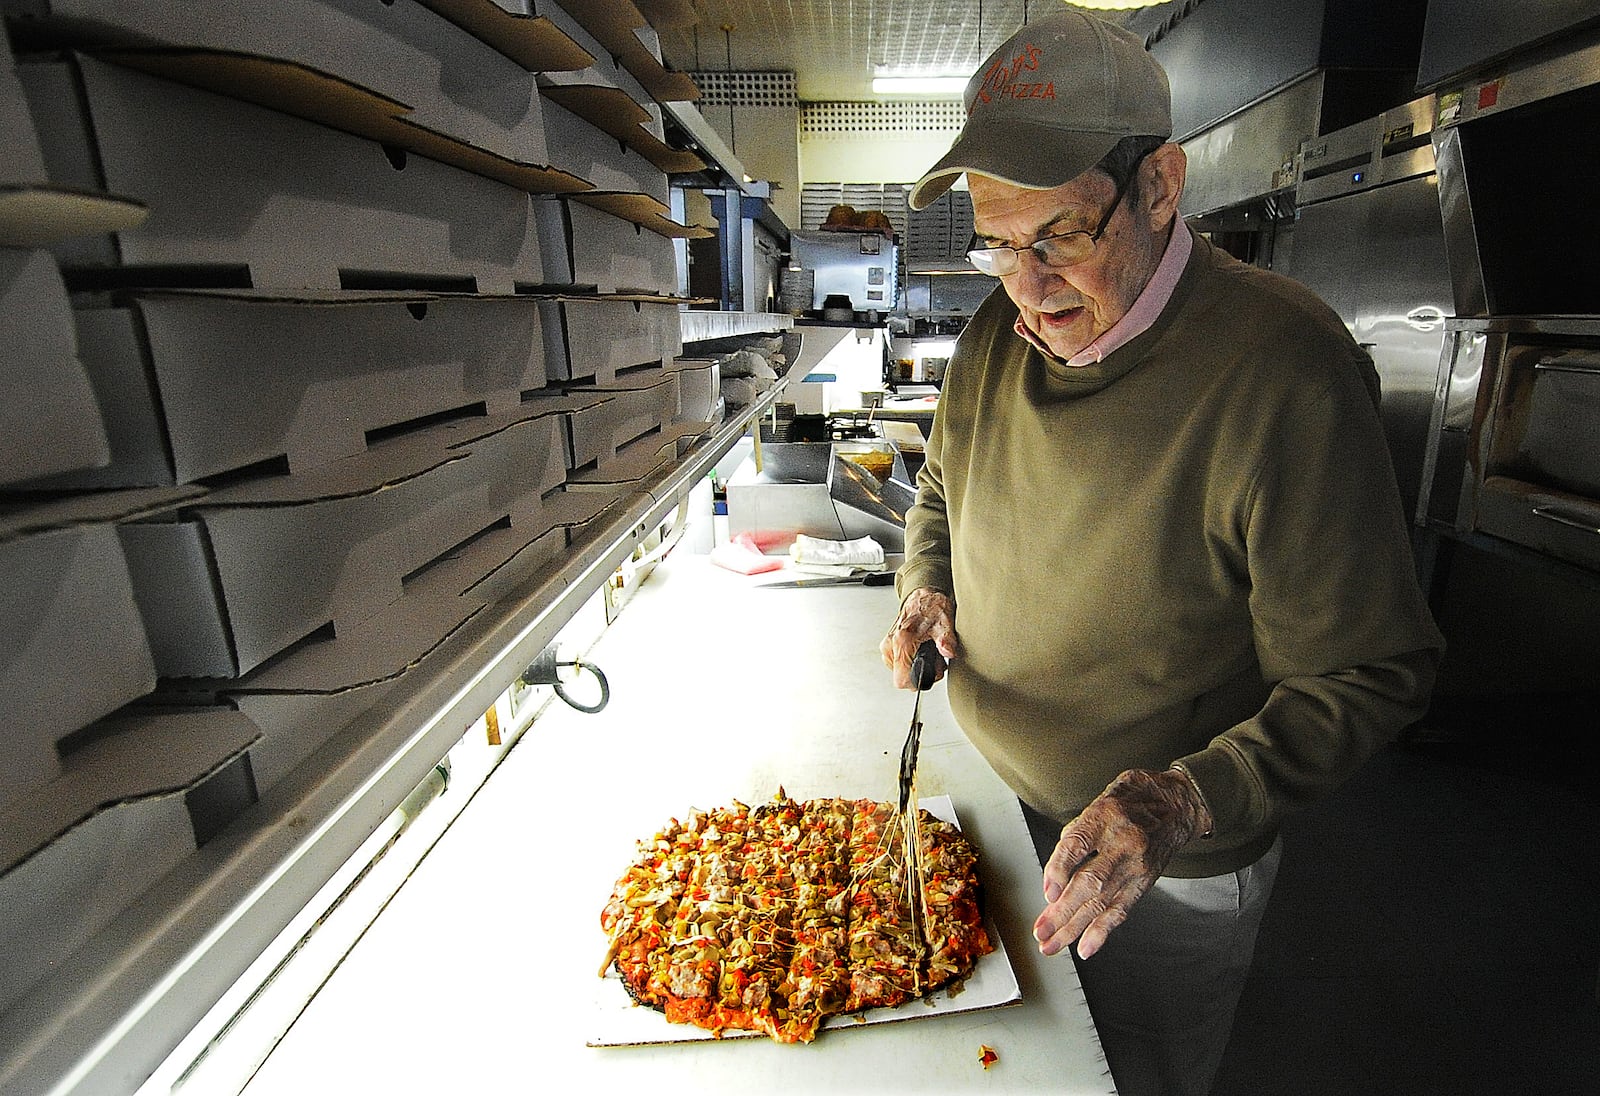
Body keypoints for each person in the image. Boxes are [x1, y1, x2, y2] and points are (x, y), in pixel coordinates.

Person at [878, 10, 1444, 1096]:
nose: (1027, 288)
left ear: (1159, 187)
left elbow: (1373, 670)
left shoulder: (1285, 369)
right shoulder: (998, 334)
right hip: (992, 807)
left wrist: (1182, 801)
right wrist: (924, 583)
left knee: (1134, 1082)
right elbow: (945, 484)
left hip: (1159, 872)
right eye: (997, 242)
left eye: (1062, 237)